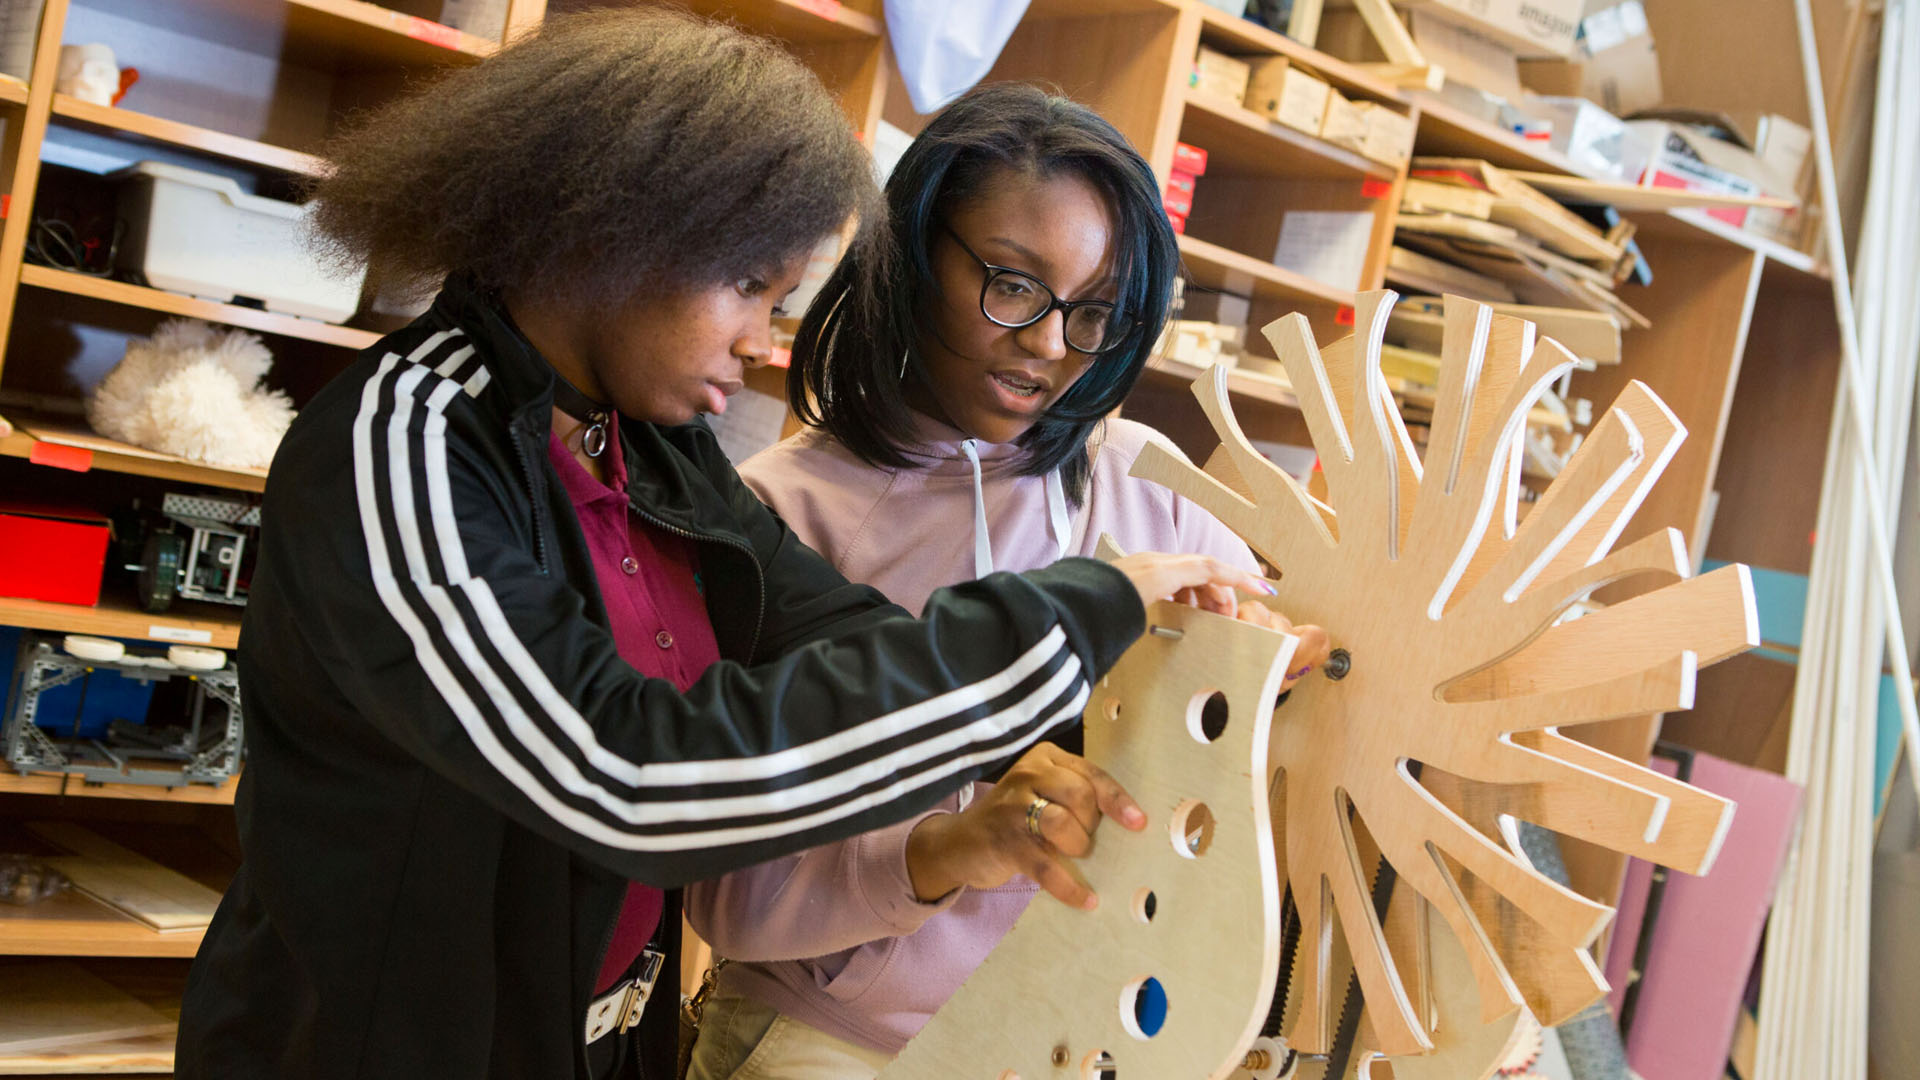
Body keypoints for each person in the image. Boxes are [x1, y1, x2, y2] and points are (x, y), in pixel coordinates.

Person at [172, 16, 1272, 1080]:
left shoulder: (646, 443)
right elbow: (618, 775)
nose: (760, 342)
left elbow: (829, 626)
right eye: (748, 287)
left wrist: (1057, 725)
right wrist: (1074, 612)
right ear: (607, 231)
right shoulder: (404, 440)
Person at [682, 83, 1331, 1080]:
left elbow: (1299, 740)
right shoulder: (779, 518)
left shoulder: (1148, 489)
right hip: (839, 1041)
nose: (1048, 346)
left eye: (1095, 312)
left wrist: (1267, 674)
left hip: (1091, 1045)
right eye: (1016, 285)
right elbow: (725, 896)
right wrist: (944, 849)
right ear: (909, 252)